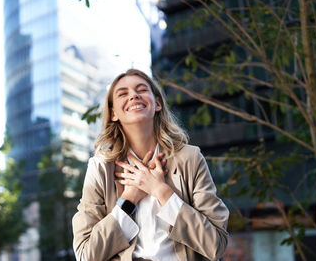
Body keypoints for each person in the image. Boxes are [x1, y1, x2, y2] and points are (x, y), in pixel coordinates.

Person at [72, 69, 230, 260]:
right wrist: (129, 199)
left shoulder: (190, 158)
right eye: (123, 93)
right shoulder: (100, 168)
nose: (134, 95)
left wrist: (160, 191)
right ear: (113, 113)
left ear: (157, 104)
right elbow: (85, 255)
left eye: (141, 89)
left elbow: (216, 245)